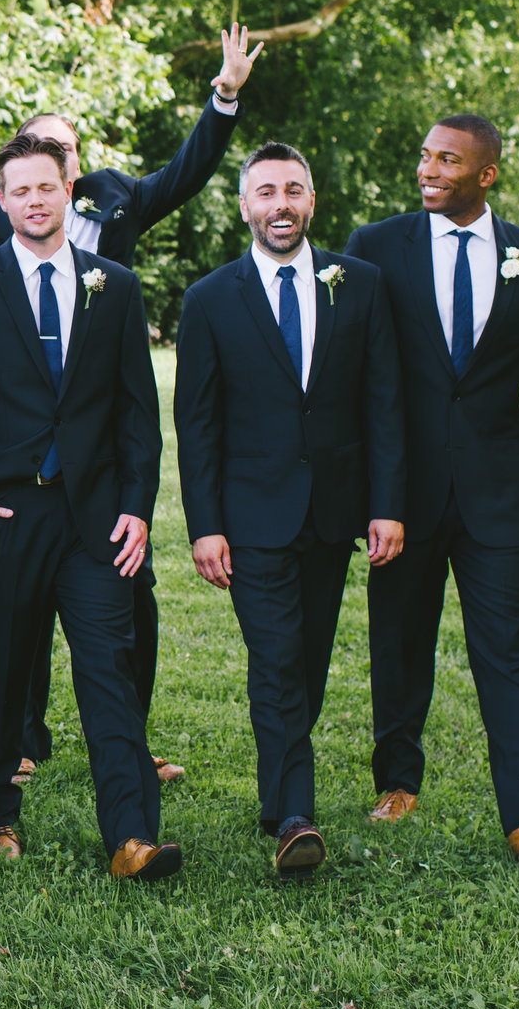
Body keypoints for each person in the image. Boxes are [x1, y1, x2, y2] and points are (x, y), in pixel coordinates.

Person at [0, 21, 268, 786]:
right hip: (13, 444)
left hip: (97, 442)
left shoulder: (117, 205)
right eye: (31, 155)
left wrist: (223, 97)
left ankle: (130, 735)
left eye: (57, 156)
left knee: (132, 607)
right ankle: (23, 739)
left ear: (74, 169)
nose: (43, 177)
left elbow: (186, 173)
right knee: (16, 617)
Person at [0, 133, 172, 877]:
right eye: (19, 190)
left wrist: (136, 506)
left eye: (47, 187)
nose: (35, 200)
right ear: (2, 202)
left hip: (95, 516)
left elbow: (136, 411)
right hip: (6, 513)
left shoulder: (113, 285)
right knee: (2, 663)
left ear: (69, 191)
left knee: (110, 667)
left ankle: (132, 834)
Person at [346, 117, 519, 872]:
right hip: (402, 493)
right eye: (424, 156)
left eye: (447, 159)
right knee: (399, 640)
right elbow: (354, 380)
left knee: (507, 652)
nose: (428, 168)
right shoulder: (375, 247)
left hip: (501, 495)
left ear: (486, 175)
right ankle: (397, 780)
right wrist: (365, 490)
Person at [173, 141, 403, 878]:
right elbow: (197, 424)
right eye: (266, 191)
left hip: (333, 512)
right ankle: (297, 819)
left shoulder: (359, 284)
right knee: (276, 662)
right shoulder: (210, 299)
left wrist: (386, 505)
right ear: (244, 206)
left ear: (312, 201)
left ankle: (277, 796)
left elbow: (383, 405)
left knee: (305, 662)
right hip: (250, 515)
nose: (281, 204)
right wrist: (205, 523)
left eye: (294, 190)